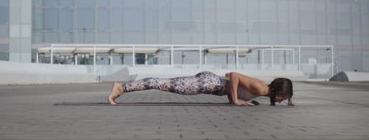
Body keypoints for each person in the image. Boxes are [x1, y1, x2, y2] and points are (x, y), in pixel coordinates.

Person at [108, 71, 293, 106]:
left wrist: (234, 99)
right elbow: (233, 75)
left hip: (211, 83)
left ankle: (123, 88)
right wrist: (236, 100)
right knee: (163, 83)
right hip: (209, 83)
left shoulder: (262, 90)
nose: (284, 99)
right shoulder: (261, 88)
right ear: (280, 91)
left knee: (164, 83)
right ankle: (121, 87)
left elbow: (232, 83)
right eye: (285, 96)